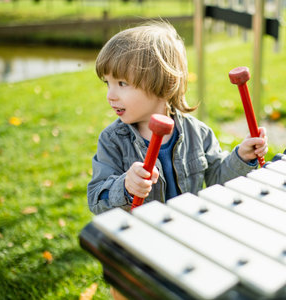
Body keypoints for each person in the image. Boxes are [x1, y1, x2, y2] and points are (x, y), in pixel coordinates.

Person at [87, 20, 268, 216]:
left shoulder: (198, 133)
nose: (110, 95)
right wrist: (125, 187)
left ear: (163, 83)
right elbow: (96, 200)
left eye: (122, 83)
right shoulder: (112, 141)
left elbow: (218, 179)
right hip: (142, 236)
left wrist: (242, 156)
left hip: (187, 229)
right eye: (108, 83)